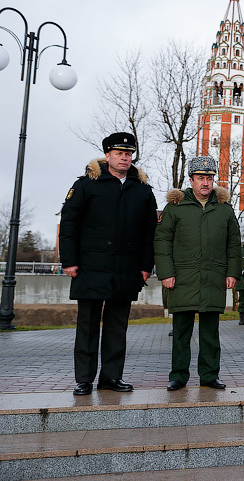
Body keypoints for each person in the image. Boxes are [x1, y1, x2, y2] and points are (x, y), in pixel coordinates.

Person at [59, 132, 158, 396]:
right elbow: (69, 224)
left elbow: (149, 232)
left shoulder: (142, 190)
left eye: (128, 154)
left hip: (126, 269)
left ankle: (111, 377)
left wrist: (146, 266)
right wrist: (69, 261)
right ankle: (84, 379)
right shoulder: (86, 185)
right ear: (107, 156)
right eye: (119, 153)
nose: (124, 158)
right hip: (90, 266)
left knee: (117, 327)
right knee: (87, 326)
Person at [155, 156, 242, 390]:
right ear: (191, 180)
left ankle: (210, 375)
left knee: (210, 332)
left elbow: (234, 244)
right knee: (181, 331)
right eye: (201, 178)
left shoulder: (224, 209)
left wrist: (233, 272)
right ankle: (178, 375)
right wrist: (166, 273)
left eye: (209, 178)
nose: (206, 183)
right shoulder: (175, 208)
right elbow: (162, 241)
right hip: (182, 278)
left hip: (214, 277)